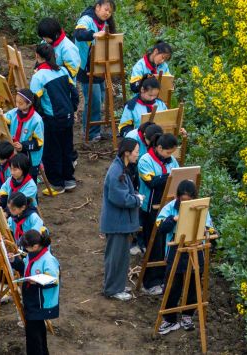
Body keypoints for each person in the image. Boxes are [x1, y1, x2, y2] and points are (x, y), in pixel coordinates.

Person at [156, 180, 215, 335]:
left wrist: (206, 231)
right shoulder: (169, 208)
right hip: (176, 248)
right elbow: (160, 226)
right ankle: (169, 319)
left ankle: (188, 315)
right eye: (183, 201)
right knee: (172, 284)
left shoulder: (201, 208)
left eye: (189, 201)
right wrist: (174, 219)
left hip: (195, 247)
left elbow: (209, 226)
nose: (186, 203)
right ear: (178, 197)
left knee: (194, 285)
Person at [30, 43, 79, 194]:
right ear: (54, 56)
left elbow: (34, 101)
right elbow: (74, 93)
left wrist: (40, 118)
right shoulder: (63, 70)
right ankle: (69, 180)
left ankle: (57, 184)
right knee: (67, 147)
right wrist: (73, 109)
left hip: (52, 119)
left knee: (53, 151)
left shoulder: (38, 77)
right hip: (68, 116)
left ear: (37, 57)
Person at [136, 133, 179, 294]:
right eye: (168, 152)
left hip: (168, 207)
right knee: (154, 246)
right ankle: (150, 282)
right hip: (150, 209)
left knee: (166, 245)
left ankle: (163, 278)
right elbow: (152, 182)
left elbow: (176, 177)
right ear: (159, 148)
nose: (170, 156)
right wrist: (170, 176)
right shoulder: (145, 160)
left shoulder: (171, 161)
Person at [100, 138, 142, 301]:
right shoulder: (117, 171)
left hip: (120, 223)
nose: (138, 155)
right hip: (116, 223)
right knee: (115, 257)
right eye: (136, 152)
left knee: (122, 257)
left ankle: (117, 285)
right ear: (127, 153)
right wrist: (137, 200)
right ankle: (112, 289)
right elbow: (120, 198)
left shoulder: (121, 168)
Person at [8, 230, 60, 355]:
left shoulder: (48, 260)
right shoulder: (32, 256)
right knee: (38, 331)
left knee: (33, 336)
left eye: (26, 247)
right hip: (32, 300)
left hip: (40, 302)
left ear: (35, 246)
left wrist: (37, 282)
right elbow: (24, 268)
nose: (24, 249)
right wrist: (14, 262)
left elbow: (54, 280)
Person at [74, 0, 117, 141]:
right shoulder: (86, 19)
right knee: (93, 100)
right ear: (97, 7)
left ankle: (94, 130)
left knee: (100, 99)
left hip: (100, 67)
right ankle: (91, 133)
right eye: (105, 9)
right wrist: (93, 34)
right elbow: (79, 33)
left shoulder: (105, 24)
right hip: (87, 67)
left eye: (110, 11)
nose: (107, 13)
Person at [5, 89, 44, 181]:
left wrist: (23, 146)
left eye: (21, 103)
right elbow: (3, 120)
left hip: (30, 157)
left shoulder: (37, 120)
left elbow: (38, 143)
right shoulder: (13, 113)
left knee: (29, 182)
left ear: (29, 103)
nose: (17, 105)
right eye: (16, 102)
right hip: (15, 153)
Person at [38, 17, 81, 83]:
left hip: (63, 85)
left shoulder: (68, 48)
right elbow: (40, 59)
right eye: (43, 37)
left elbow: (72, 71)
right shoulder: (45, 43)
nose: (44, 39)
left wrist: (51, 74)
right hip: (47, 82)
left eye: (45, 37)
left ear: (54, 35)